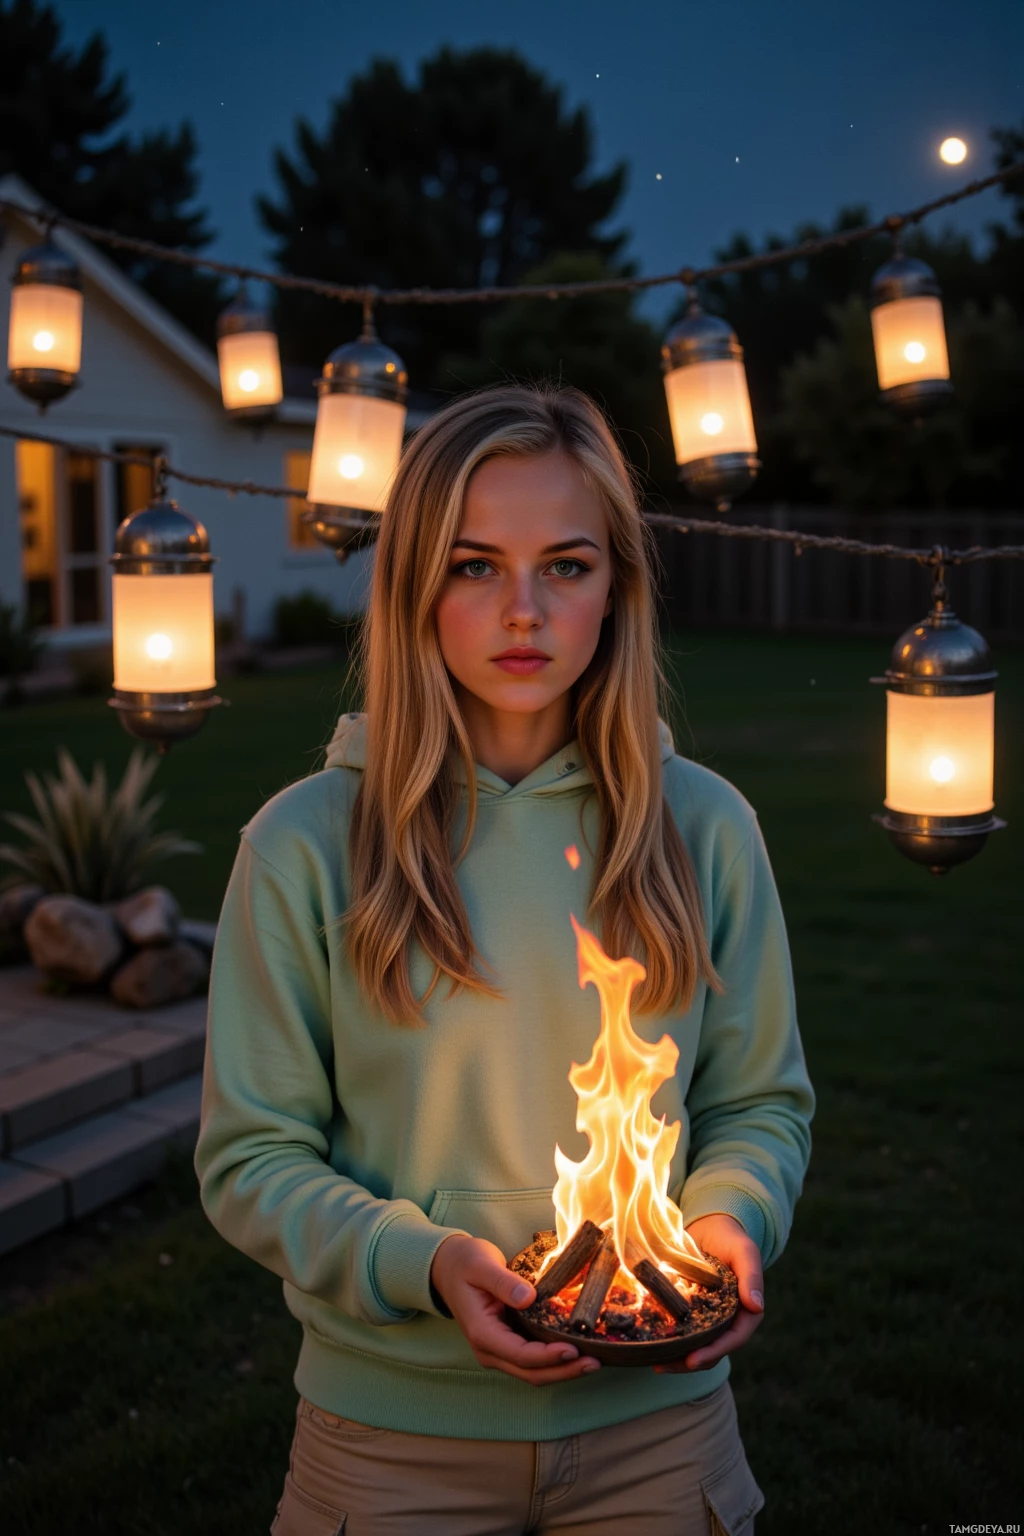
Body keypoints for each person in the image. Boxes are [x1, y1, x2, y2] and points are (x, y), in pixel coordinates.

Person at [194, 383, 816, 1535]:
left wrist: (732, 1223)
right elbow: (250, 1159)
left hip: (660, 1433)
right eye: (475, 565)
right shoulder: (304, 846)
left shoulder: (706, 826)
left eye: (565, 566)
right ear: (412, 586)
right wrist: (419, 1262)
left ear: (617, 590)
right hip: (389, 1445)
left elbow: (758, 1104)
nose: (521, 609)